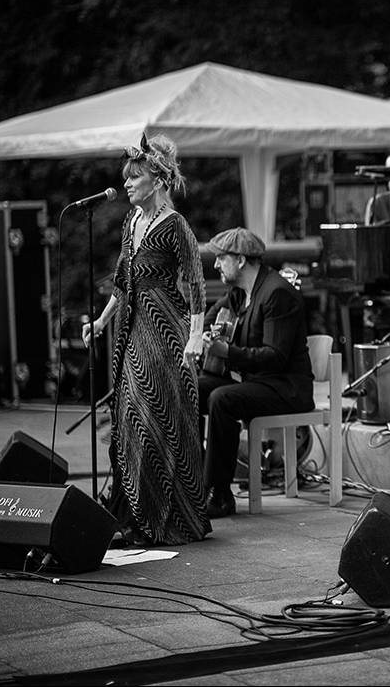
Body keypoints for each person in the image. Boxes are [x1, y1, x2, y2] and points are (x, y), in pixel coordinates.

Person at [82, 133, 210, 547]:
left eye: (134, 177)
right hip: (131, 329)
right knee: (128, 418)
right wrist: (101, 322)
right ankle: (131, 514)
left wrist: (195, 336)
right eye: (126, 177)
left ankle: (160, 518)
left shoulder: (176, 225)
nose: (127, 184)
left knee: (153, 415)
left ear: (156, 180)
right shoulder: (131, 222)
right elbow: (123, 281)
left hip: (165, 330)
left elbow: (195, 282)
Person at [198, 227, 314, 518]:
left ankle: (219, 494)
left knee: (222, 400)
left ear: (239, 260)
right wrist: (207, 335)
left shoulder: (277, 293)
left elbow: (275, 358)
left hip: (286, 388)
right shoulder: (240, 293)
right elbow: (213, 317)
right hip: (256, 382)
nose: (215, 265)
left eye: (221, 258)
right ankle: (194, 481)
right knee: (192, 388)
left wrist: (229, 353)